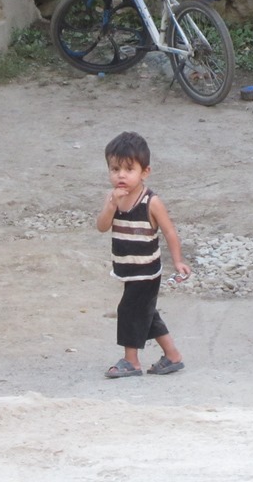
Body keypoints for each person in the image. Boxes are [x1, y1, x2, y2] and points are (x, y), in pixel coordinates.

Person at [96, 131, 191, 378]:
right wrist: (111, 205)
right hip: (128, 270)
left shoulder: (151, 201)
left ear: (144, 172)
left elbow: (170, 232)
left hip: (147, 271)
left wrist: (178, 261)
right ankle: (172, 356)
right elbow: (102, 226)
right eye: (115, 169)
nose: (121, 175)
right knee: (146, 313)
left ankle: (131, 361)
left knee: (129, 310)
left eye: (129, 169)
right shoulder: (113, 198)